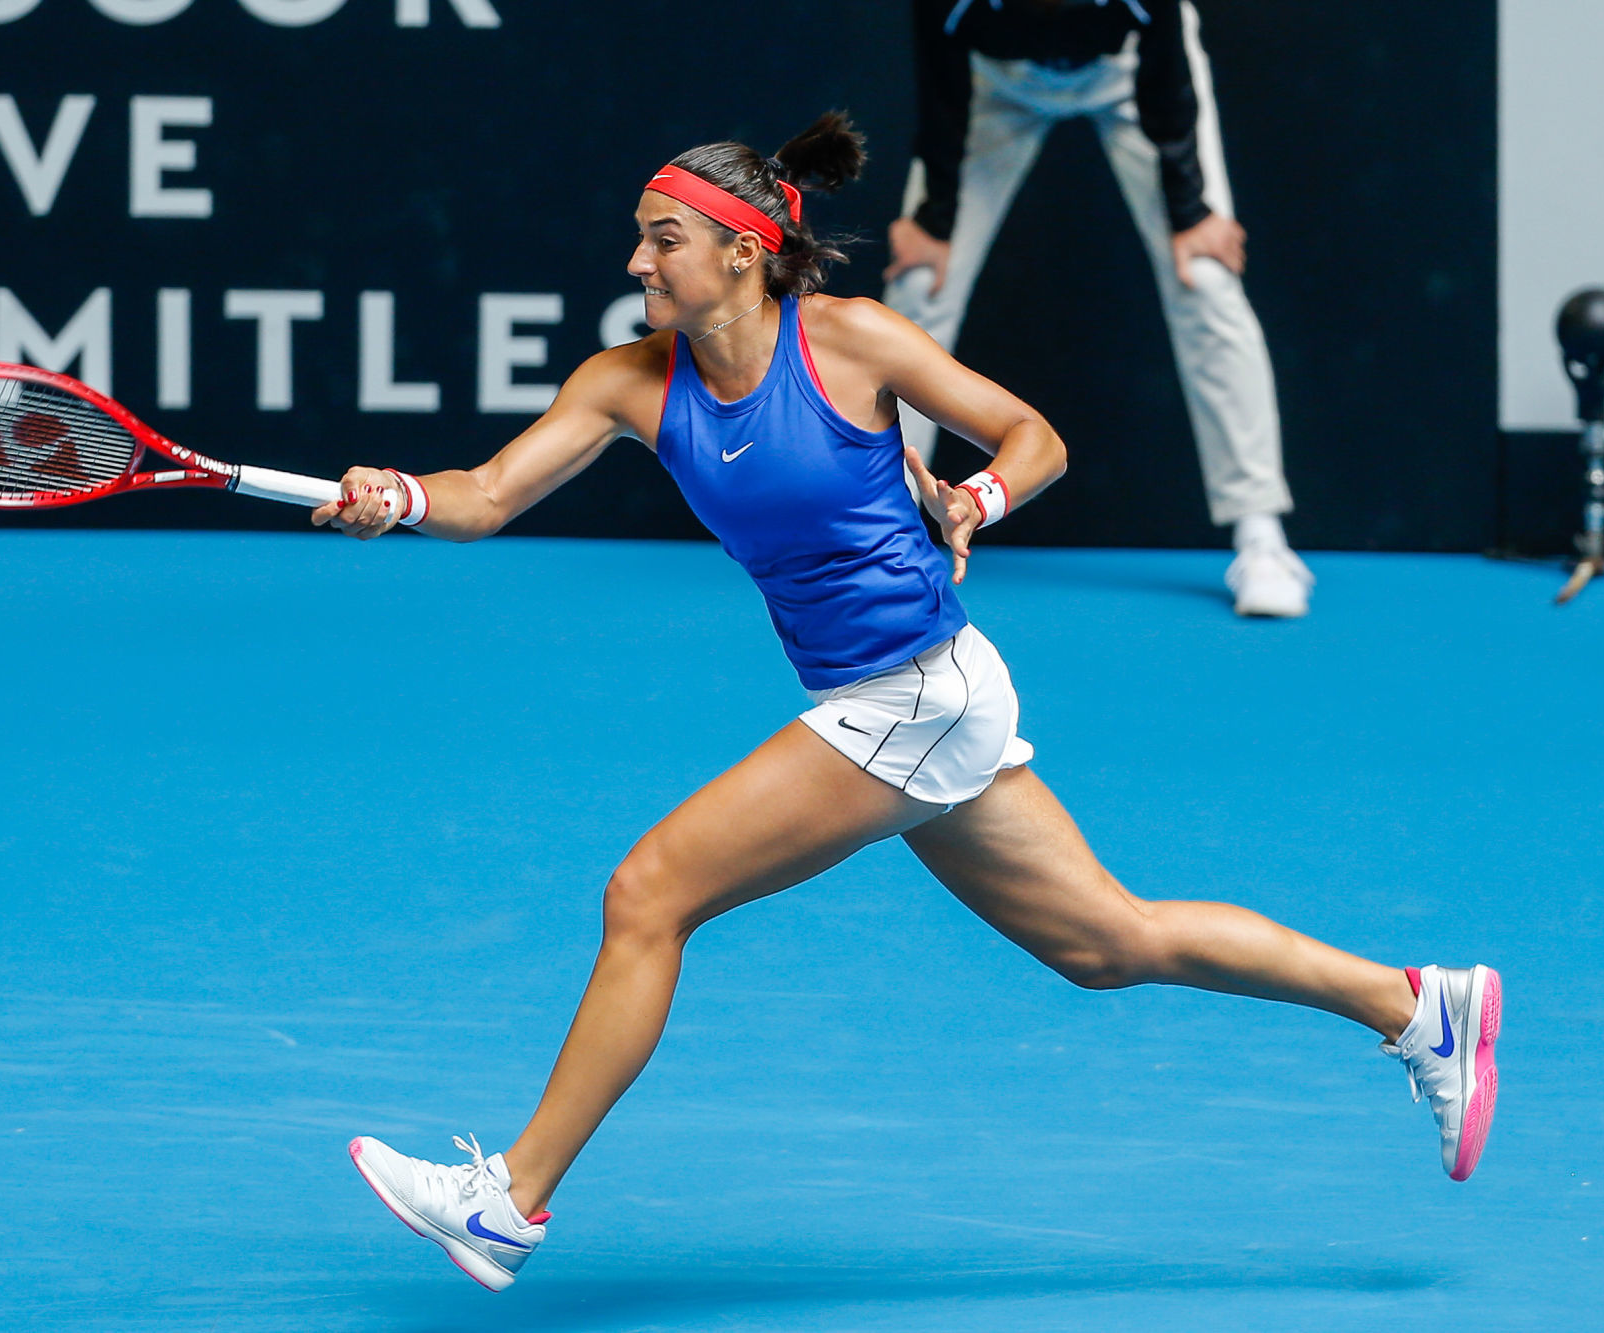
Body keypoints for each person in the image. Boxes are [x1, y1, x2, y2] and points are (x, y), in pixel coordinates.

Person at [326, 113, 1499, 1293]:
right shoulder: (625, 382)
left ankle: (507, 1202)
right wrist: (394, 498)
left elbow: (1031, 436)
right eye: (638, 239)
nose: (637, 262)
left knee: (647, 893)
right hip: (894, 698)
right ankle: (1412, 1006)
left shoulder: (849, 342)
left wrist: (975, 499)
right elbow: (481, 493)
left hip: (915, 691)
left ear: (741, 251)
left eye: (662, 239)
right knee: (1108, 941)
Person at [885, 0, 1313, 618]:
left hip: (1133, 73)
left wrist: (1191, 213)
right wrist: (934, 218)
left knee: (1207, 277)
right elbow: (940, 74)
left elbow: (1166, 64)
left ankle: (1262, 538)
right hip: (995, 83)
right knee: (922, 278)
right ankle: (874, 537)